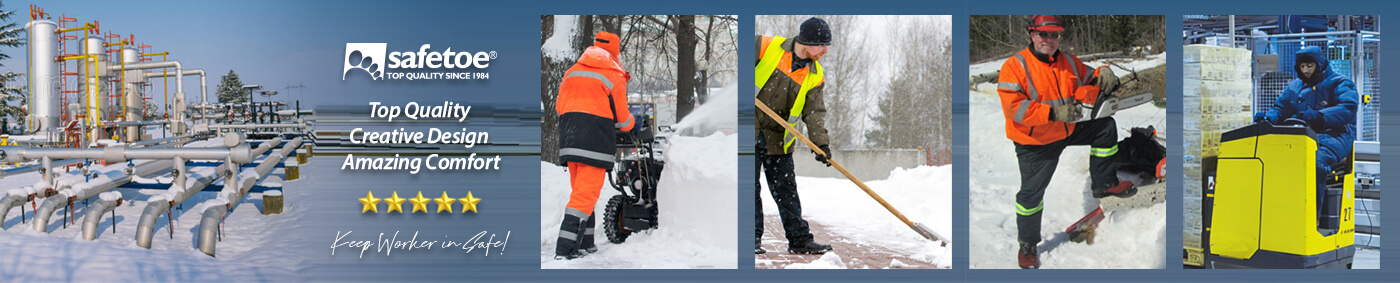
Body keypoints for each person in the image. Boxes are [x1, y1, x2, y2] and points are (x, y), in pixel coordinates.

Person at [995, 15, 1135, 269]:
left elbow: (1090, 76)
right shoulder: (1015, 66)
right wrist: (1052, 114)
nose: (1049, 40)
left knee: (1104, 126)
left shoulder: (1067, 61)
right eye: (1044, 34)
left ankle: (1104, 183)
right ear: (1032, 34)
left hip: (1068, 129)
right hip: (1035, 140)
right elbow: (1013, 108)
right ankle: (1027, 244)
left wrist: (1103, 71)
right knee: (1031, 195)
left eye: (1055, 35)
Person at [754, 17, 834, 255]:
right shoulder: (765, 46)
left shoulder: (815, 75)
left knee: (786, 190)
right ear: (808, 42)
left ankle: (799, 239)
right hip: (749, 130)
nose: (825, 50)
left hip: (779, 140)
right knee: (748, 187)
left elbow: (814, 112)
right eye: (822, 45)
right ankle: (750, 239)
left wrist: (821, 143)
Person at [553, 31, 635, 260]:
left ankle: (585, 243)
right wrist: (634, 124)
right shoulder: (614, 75)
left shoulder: (572, 71)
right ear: (615, 51)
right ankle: (565, 249)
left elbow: (561, 107)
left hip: (570, 140)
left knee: (582, 194)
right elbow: (622, 120)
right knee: (584, 197)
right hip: (594, 143)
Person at [1253, 45, 1358, 219]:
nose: (1306, 70)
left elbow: (1347, 108)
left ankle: (1310, 218)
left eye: (1310, 66)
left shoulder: (1340, 82)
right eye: (1302, 66)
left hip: (1335, 136)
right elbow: (1281, 108)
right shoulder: (1295, 87)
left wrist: (1320, 116)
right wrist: (1268, 118)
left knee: (1314, 163)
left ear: (1320, 64)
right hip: (1303, 136)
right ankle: (1282, 213)